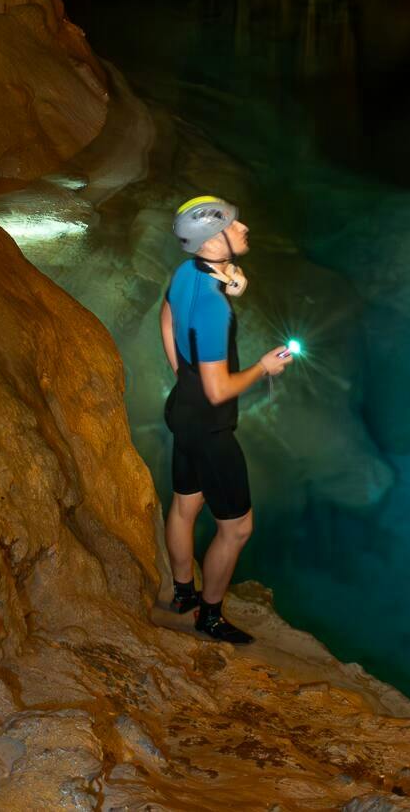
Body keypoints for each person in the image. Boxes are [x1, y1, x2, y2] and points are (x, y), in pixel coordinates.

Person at [160, 195, 292, 644]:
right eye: (236, 225)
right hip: (210, 427)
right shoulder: (213, 307)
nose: (244, 228)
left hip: (183, 410)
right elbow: (218, 390)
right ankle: (209, 617)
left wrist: (183, 374)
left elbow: (167, 315)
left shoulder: (187, 273)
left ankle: (182, 594)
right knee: (237, 528)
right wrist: (262, 368)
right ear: (214, 239)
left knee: (185, 505)